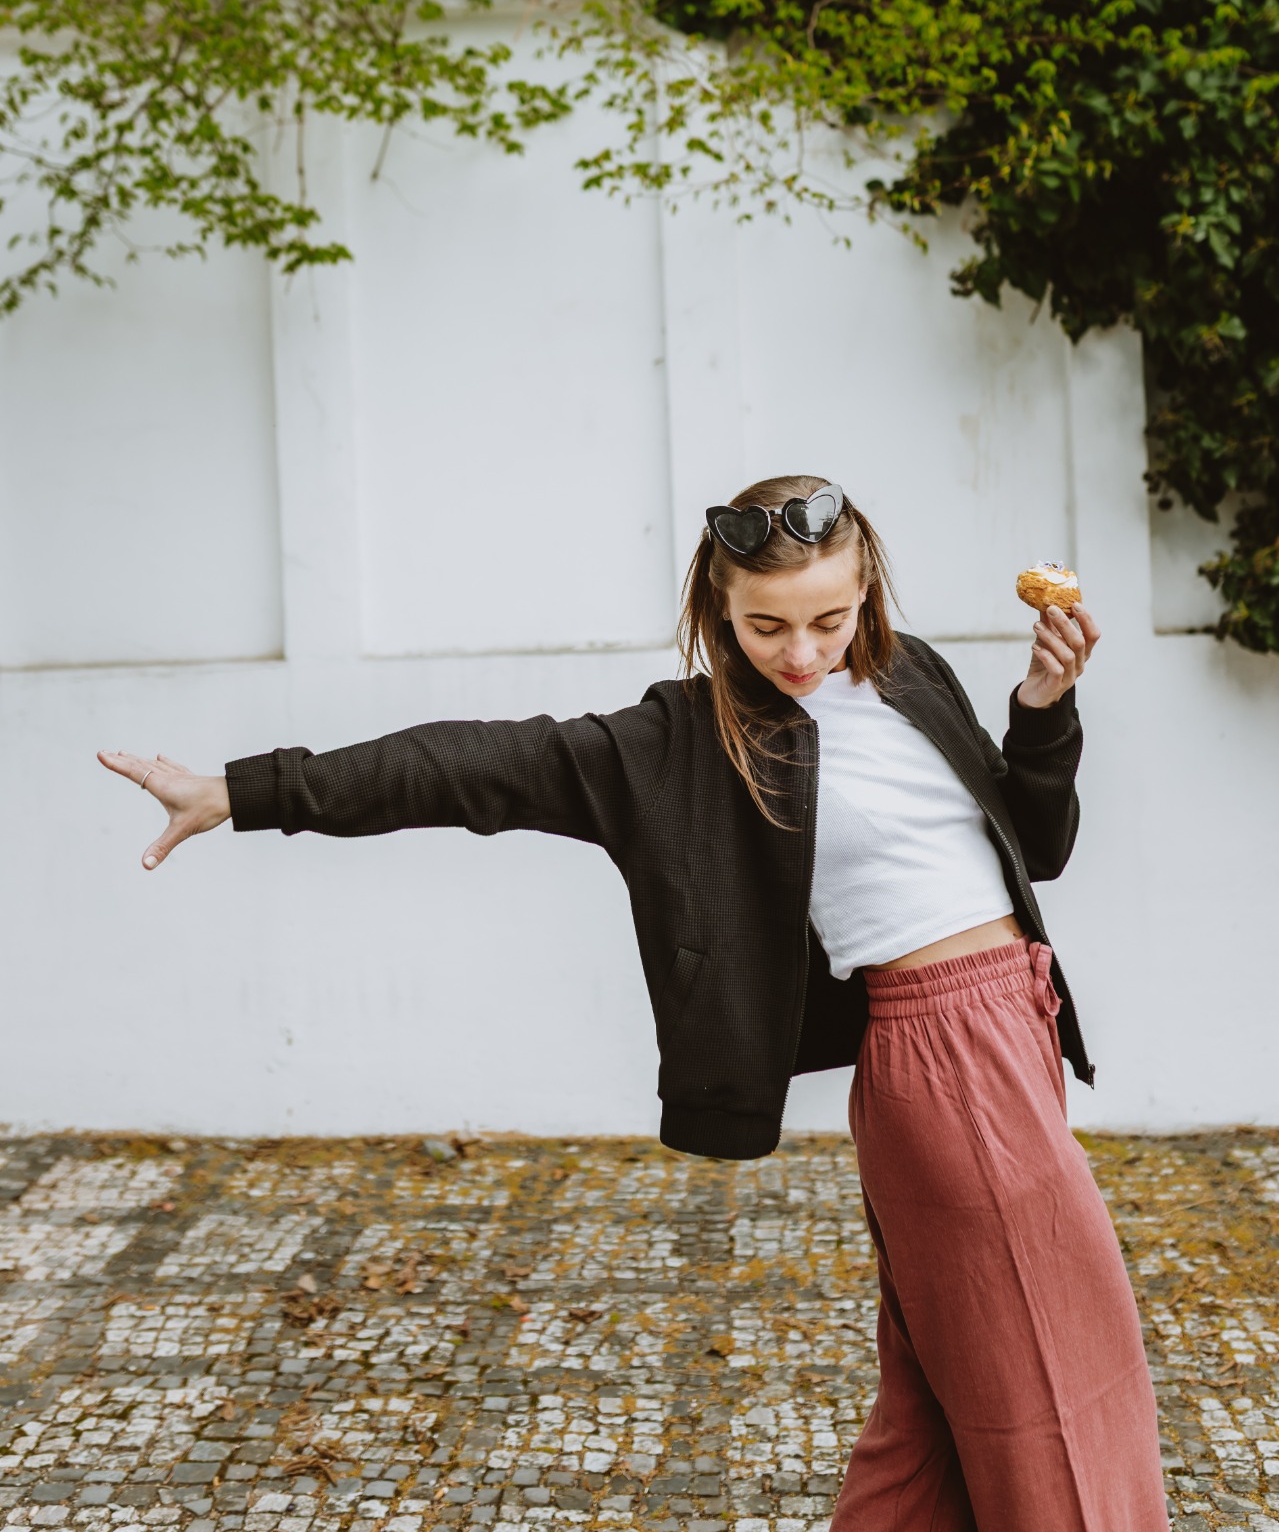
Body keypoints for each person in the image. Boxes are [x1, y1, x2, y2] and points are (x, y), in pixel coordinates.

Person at [97, 474, 1169, 1531]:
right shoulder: (684, 742)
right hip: (943, 1065)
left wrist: (1042, 709)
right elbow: (471, 767)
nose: (800, 652)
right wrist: (243, 792)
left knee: (937, 1408)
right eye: (765, 626)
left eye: (827, 620)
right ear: (718, 610)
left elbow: (1033, 849)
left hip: (1017, 1028)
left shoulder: (912, 675)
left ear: (866, 595)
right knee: (1063, 1372)